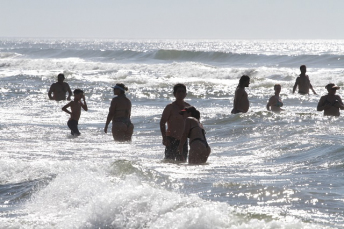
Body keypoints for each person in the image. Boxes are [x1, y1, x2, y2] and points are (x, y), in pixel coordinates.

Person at [160, 83, 191, 161]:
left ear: (186, 94)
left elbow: (191, 124)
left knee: (182, 163)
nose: (181, 93)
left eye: (183, 91)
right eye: (179, 92)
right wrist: (164, 138)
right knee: (169, 162)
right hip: (171, 139)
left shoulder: (188, 107)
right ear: (174, 94)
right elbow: (162, 122)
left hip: (183, 140)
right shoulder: (170, 107)